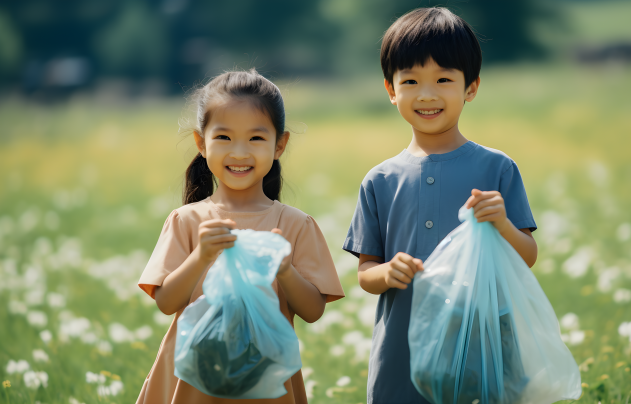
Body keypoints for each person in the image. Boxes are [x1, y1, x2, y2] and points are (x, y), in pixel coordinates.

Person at [343, 8, 538, 404]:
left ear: (472, 87)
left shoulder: (497, 168)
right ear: (391, 90)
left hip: (480, 345)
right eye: (411, 80)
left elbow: (528, 256)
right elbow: (365, 274)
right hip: (402, 352)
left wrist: (501, 223)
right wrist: (388, 272)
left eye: (444, 79)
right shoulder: (379, 181)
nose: (427, 94)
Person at [136, 69, 344, 404]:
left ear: (280, 145)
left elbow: (313, 310)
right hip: (192, 379)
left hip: (266, 378)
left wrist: (285, 270)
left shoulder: (294, 225)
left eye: (256, 138)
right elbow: (166, 302)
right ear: (201, 143)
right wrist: (200, 256)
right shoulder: (187, 221)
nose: (239, 152)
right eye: (224, 137)